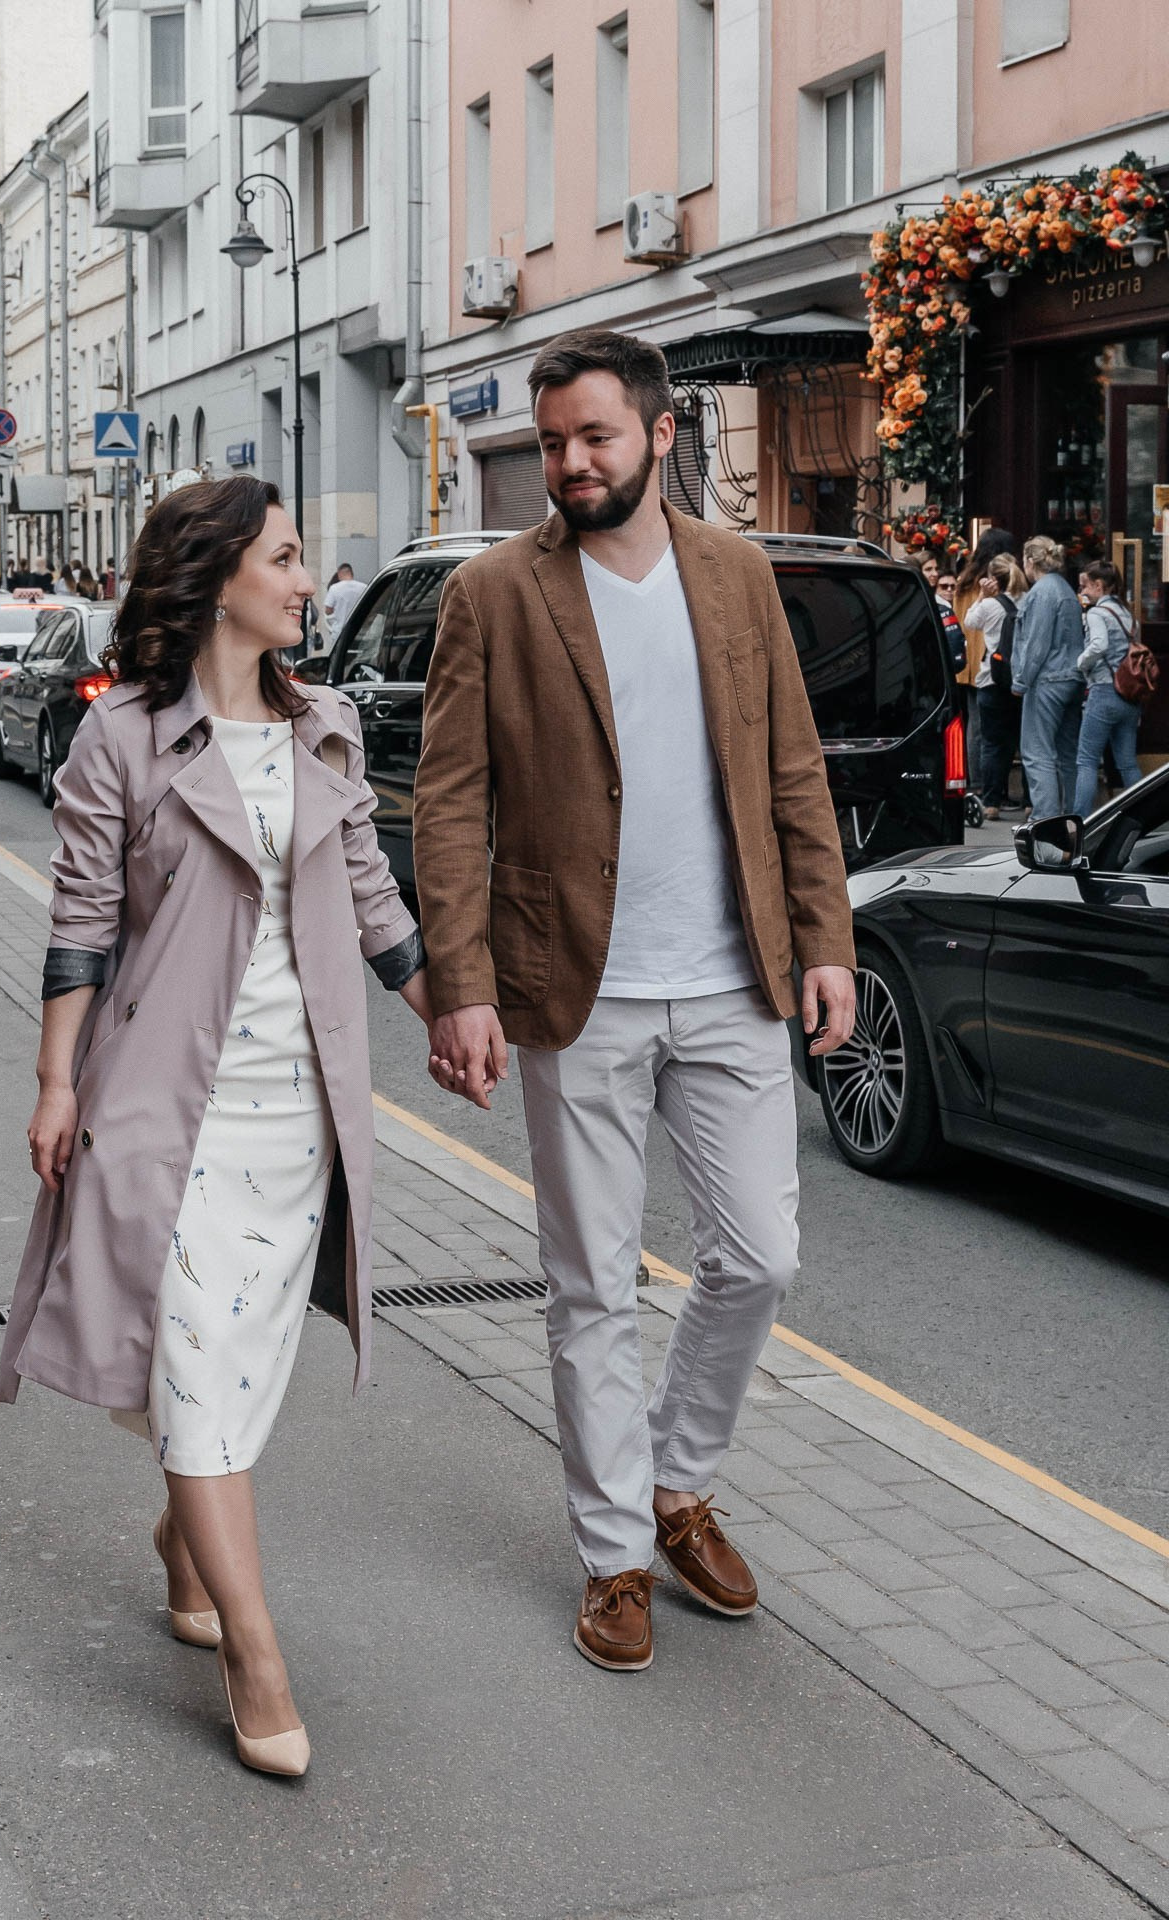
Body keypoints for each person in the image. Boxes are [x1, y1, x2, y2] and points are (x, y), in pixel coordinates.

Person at [413, 328, 856, 1673]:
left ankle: (678, 1478)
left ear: (660, 435)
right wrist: (460, 984)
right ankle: (614, 1551)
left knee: (759, 1256)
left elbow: (791, 766)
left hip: (734, 977)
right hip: (573, 988)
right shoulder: (494, 593)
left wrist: (825, 935)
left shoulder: (733, 576)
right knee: (592, 1283)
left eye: (593, 437)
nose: (569, 463)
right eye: (552, 443)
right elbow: (449, 802)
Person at [0, 476, 431, 1777]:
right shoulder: (121, 738)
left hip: (294, 1116)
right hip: (158, 1108)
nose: (310, 580)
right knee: (191, 1356)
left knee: (235, 1370)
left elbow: (366, 888)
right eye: (290, 558)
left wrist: (452, 1004)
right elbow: (79, 924)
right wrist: (56, 1084)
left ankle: (184, 1539)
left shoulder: (328, 725)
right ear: (220, 572)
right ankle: (257, 1653)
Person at [1014, 535, 1085, 821]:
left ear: (1030, 561)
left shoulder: (1042, 592)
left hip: (1048, 679)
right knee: (1068, 754)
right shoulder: (1065, 589)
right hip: (1073, 677)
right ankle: (1074, 817)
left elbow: (1036, 644)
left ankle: (1043, 821)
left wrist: (1021, 681)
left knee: (1037, 751)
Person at [1074, 559, 1143, 815]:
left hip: (1103, 692)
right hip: (1129, 696)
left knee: (1087, 760)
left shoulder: (1096, 613)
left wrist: (1080, 662)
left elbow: (1099, 645)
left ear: (1098, 585)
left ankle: (1079, 823)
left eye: (1085, 586)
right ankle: (1143, 817)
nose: (1082, 592)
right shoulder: (1128, 615)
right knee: (1127, 763)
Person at [963, 552, 1027, 818]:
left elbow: (969, 621)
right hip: (1020, 681)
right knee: (1025, 744)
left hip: (992, 679)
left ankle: (992, 802)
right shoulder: (1026, 600)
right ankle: (1031, 802)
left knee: (992, 744)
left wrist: (981, 596)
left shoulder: (989, 606)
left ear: (992, 579)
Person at [323, 562, 366, 644]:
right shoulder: (363, 587)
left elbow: (328, 610)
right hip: (360, 631)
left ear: (339, 574)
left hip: (339, 632)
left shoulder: (334, 588)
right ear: (351, 573)